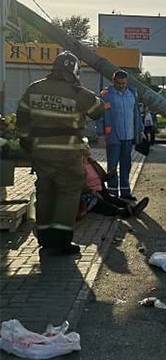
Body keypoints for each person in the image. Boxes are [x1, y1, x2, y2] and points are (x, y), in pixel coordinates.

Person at [16, 51, 105, 255]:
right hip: (67, 153)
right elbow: (98, 110)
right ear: (74, 71)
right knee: (68, 193)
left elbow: (21, 116)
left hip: (41, 152)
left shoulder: (34, 88)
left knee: (45, 191)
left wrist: (25, 139)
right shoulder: (77, 92)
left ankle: (45, 239)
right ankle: (62, 241)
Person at [98, 70, 144, 201]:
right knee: (112, 165)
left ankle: (125, 192)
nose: (121, 86)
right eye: (118, 83)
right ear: (114, 81)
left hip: (128, 136)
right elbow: (101, 114)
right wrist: (101, 134)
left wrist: (140, 129)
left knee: (126, 164)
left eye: (123, 83)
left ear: (127, 82)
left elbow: (136, 113)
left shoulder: (132, 93)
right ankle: (112, 193)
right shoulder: (106, 95)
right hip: (113, 136)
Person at [78, 146, 149, 220]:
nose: (88, 149)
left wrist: (111, 173)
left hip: (100, 187)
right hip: (91, 192)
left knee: (110, 198)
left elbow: (103, 176)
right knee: (103, 203)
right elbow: (81, 184)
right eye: (86, 148)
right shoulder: (79, 166)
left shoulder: (92, 162)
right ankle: (123, 212)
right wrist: (91, 192)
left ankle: (131, 207)